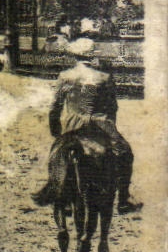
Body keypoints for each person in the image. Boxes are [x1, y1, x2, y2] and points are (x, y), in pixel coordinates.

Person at [34, 52, 139, 213]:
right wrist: (111, 128)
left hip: (72, 125)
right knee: (125, 152)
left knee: (57, 154)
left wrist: (56, 132)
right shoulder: (104, 77)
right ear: (92, 57)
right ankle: (123, 199)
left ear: (74, 57)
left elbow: (55, 107)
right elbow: (112, 107)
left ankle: (62, 194)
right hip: (100, 125)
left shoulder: (65, 76)